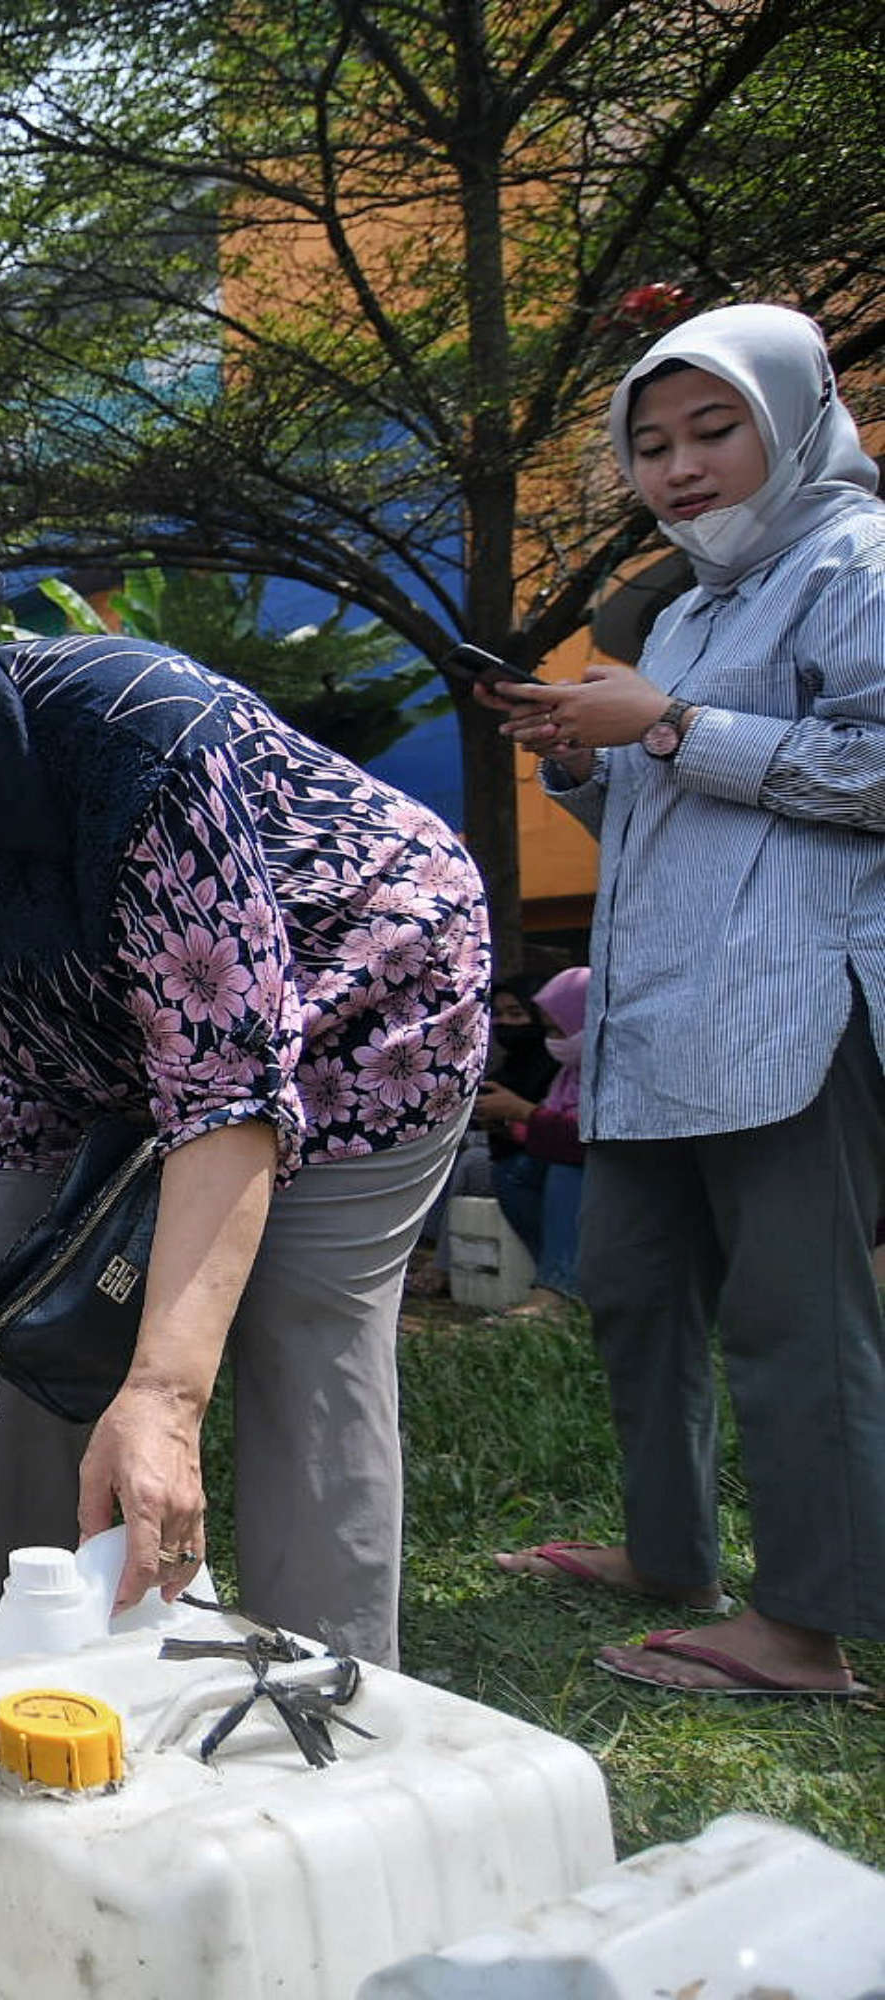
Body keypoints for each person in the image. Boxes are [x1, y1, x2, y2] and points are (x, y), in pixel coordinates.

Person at [0, 524, 488, 1668]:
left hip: (354, 1007)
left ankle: (330, 1693)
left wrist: (165, 1391)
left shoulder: (134, 735)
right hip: (76, 1048)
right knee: (23, 1337)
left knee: (301, 1327)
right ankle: (32, 1670)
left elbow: (223, 1089)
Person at [487, 302, 884, 1698]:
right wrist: (584, 757)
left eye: (715, 430)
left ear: (800, 420)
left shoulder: (857, 559)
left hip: (794, 1009)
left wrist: (664, 722)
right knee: (634, 1288)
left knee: (793, 1316)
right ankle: (672, 1556)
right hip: (663, 1018)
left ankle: (808, 1629)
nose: (680, 468)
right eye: (651, 446)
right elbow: (678, 819)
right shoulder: (698, 605)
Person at [483, 966, 587, 1305]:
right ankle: (556, 1274)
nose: (554, 1040)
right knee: (511, 1171)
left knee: (563, 1168)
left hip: (622, 1172)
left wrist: (523, 1113)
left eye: (560, 1029)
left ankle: (558, 1288)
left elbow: (589, 1140)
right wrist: (507, 1124)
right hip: (566, 1159)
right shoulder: (569, 1075)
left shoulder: (615, 1068)